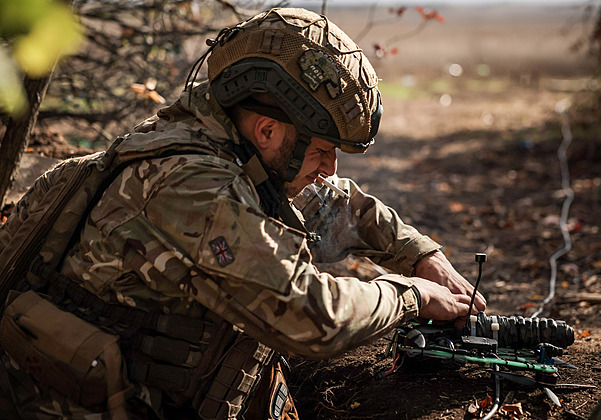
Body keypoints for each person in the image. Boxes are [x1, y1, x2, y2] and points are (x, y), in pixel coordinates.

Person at [0, 7, 486, 420]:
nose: (330, 168)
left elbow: (340, 206)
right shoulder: (193, 187)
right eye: (322, 150)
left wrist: (422, 255)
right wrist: (411, 295)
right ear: (269, 132)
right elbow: (308, 316)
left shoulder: (235, 150)